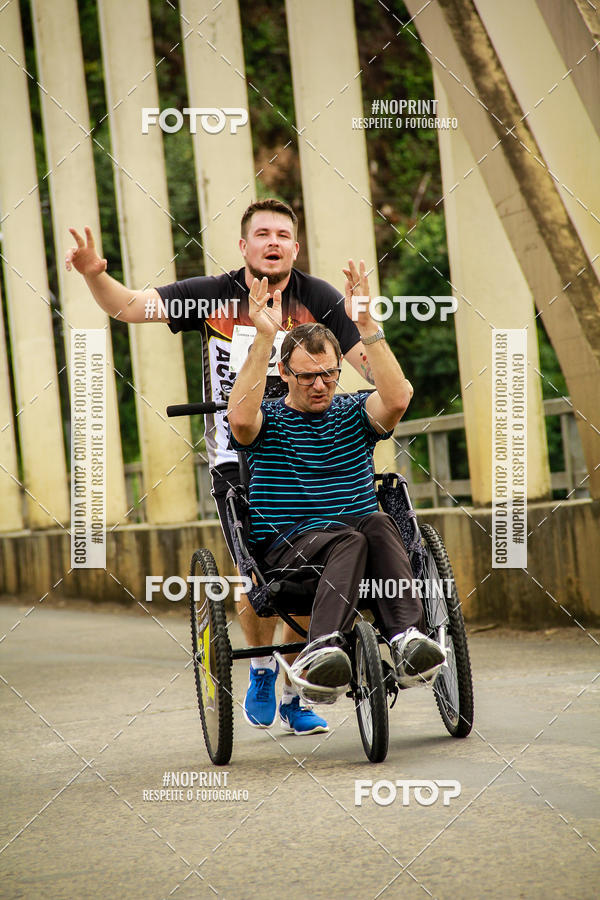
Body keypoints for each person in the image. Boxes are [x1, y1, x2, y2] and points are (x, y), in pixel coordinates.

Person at [65, 198, 375, 735]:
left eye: (283, 234)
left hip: (306, 447)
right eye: (262, 234)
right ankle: (260, 668)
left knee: (314, 561)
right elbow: (131, 307)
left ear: (295, 248)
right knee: (258, 568)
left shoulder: (319, 297)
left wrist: (369, 334)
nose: (273, 242)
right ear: (244, 245)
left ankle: (295, 683)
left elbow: (365, 363)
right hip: (238, 453)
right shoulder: (209, 294)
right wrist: (96, 276)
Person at [226, 260, 446, 730]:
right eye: (307, 376)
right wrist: (263, 336)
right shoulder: (270, 418)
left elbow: (398, 398)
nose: (321, 384)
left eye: (327, 373)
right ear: (284, 373)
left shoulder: (351, 411)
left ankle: (406, 637)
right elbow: (240, 422)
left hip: (356, 543)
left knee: (379, 522)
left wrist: (366, 326)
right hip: (290, 548)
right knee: (351, 537)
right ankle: (321, 648)